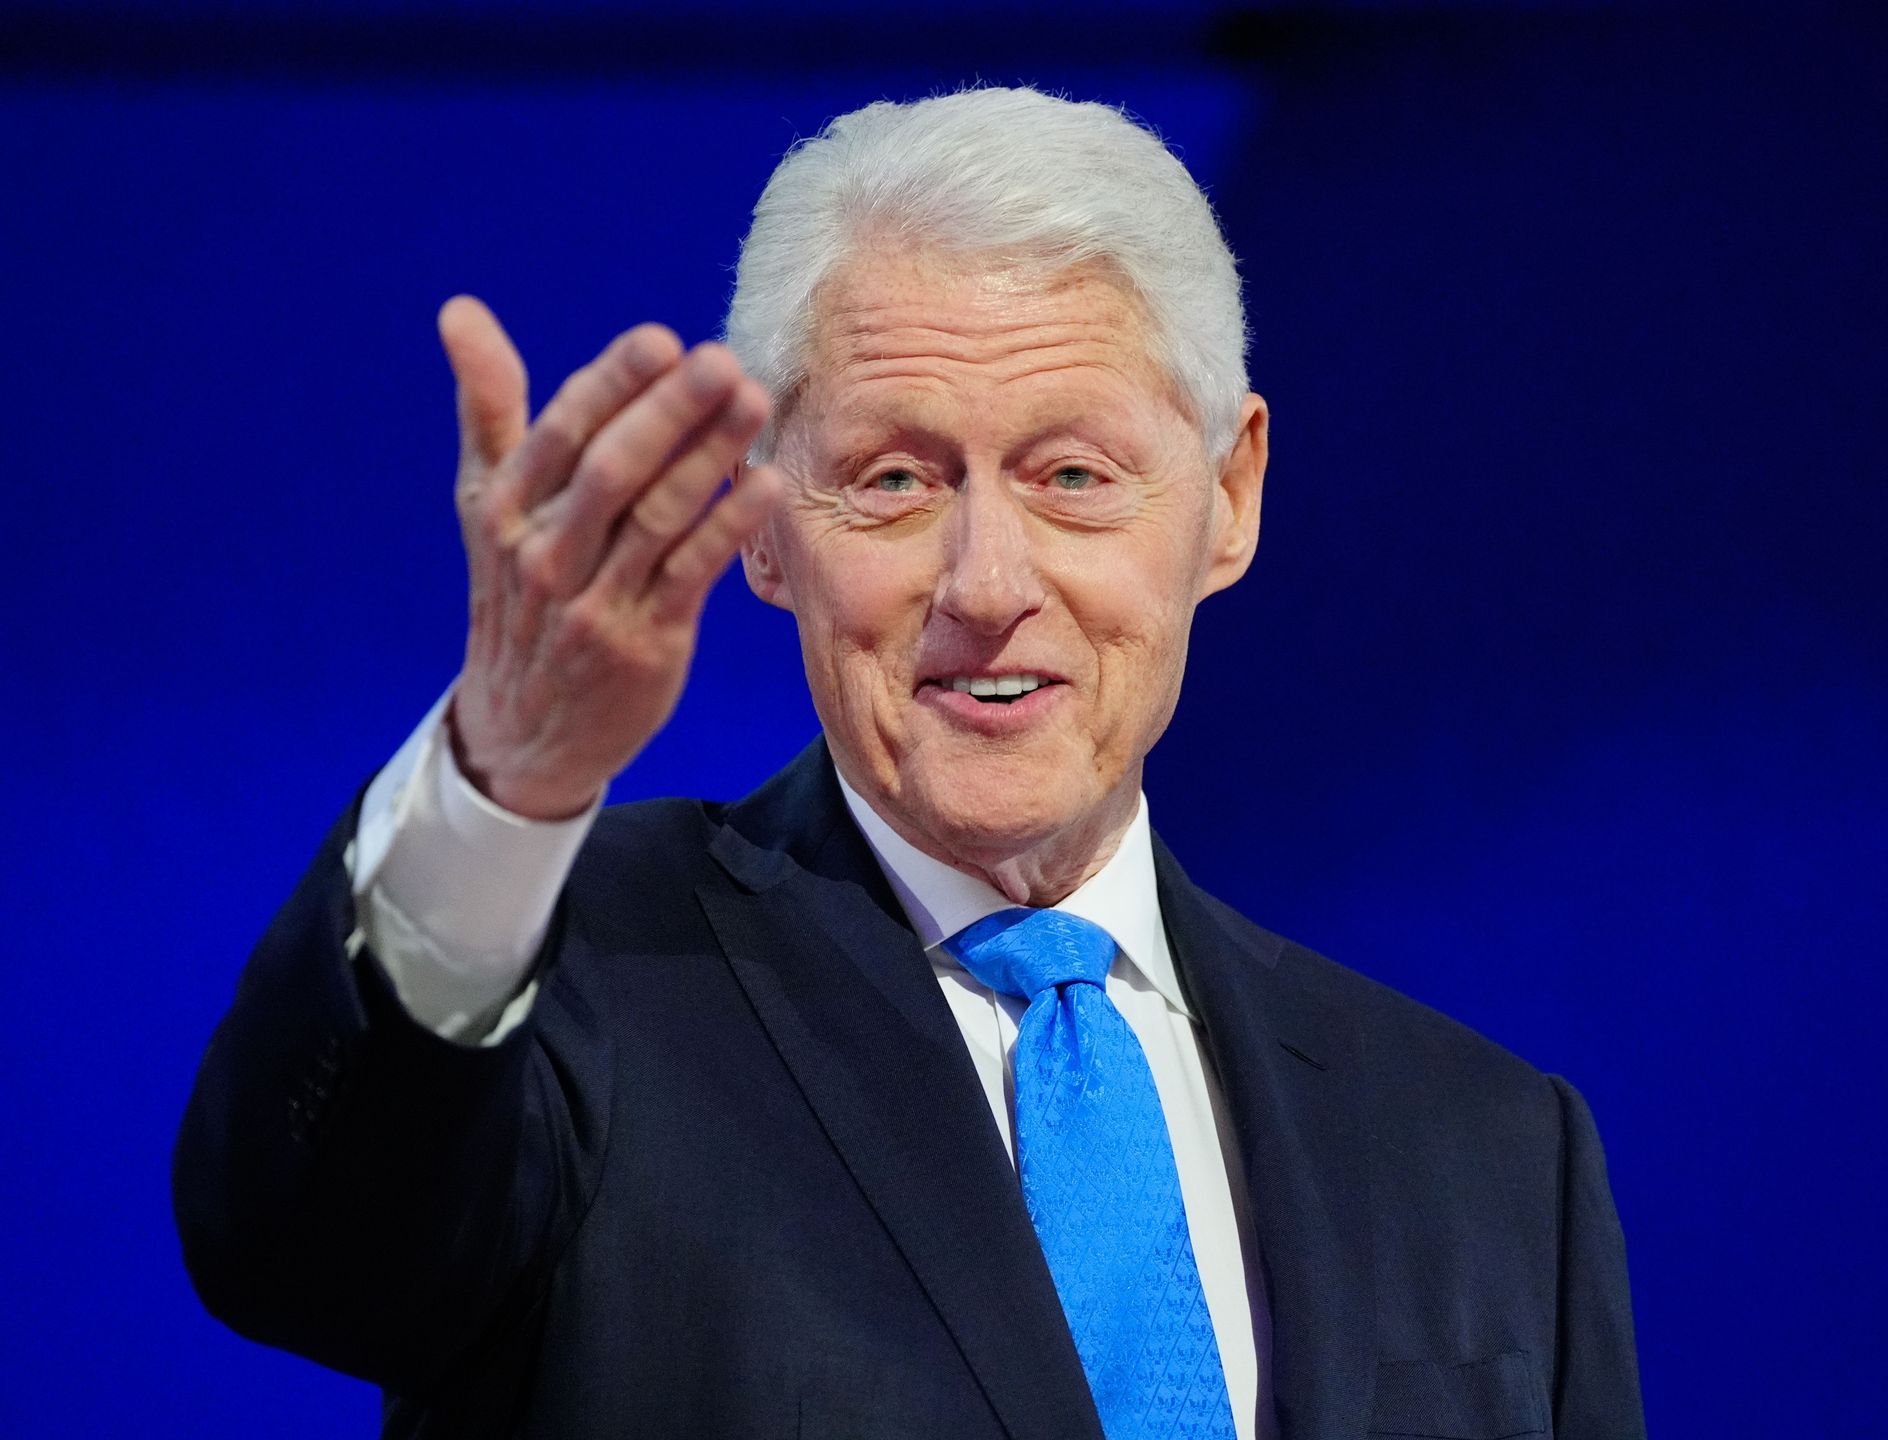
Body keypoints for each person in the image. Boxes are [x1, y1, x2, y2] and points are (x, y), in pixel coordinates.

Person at [174, 87, 1644, 1440]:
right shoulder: (569, 994)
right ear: (764, 528)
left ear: (1229, 496)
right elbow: (306, 1255)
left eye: (1072, 475)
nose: (987, 582)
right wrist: (501, 782)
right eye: (893, 479)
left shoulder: (1493, 1150)